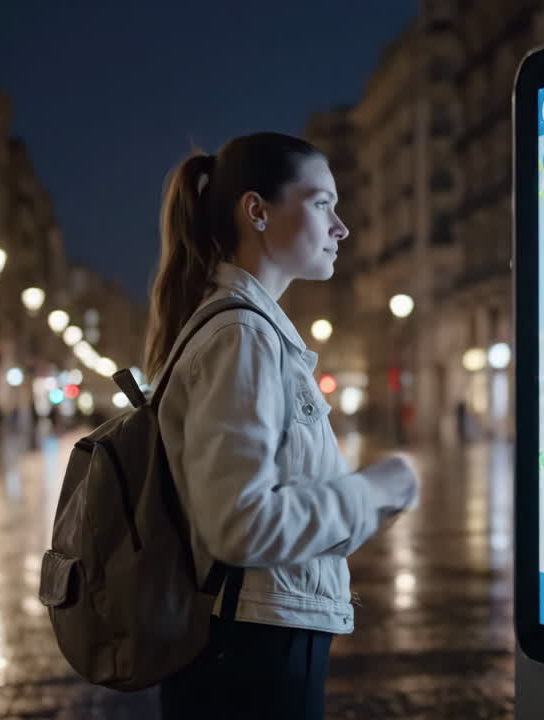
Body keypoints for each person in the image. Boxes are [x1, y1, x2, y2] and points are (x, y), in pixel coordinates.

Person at [148, 133, 419, 719]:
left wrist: (367, 508)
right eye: (322, 203)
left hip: (255, 635)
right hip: (251, 651)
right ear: (257, 211)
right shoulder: (241, 337)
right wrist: (375, 489)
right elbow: (241, 525)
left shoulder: (252, 331)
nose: (340, 226)